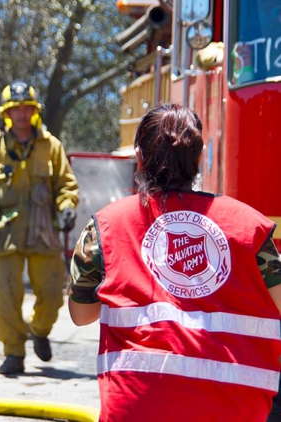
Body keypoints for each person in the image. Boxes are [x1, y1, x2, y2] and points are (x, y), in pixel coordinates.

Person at [67, 103, 281, 421]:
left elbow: (81, 314)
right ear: (199, 159)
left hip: (138, 406)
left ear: (139, 158)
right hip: (236, 408)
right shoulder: (247, 225)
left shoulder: (107, 226)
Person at [0, 80, 79, 375]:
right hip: (5, 236)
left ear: (34, 111)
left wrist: (67, 206)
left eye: (26, 108)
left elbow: (65, 185)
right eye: (15, 109)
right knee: (6, 298)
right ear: (6, 114)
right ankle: (14, 353)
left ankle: (40, 331)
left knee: (53, 295)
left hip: (42, 232)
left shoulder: (50, 145)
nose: (21, 114)